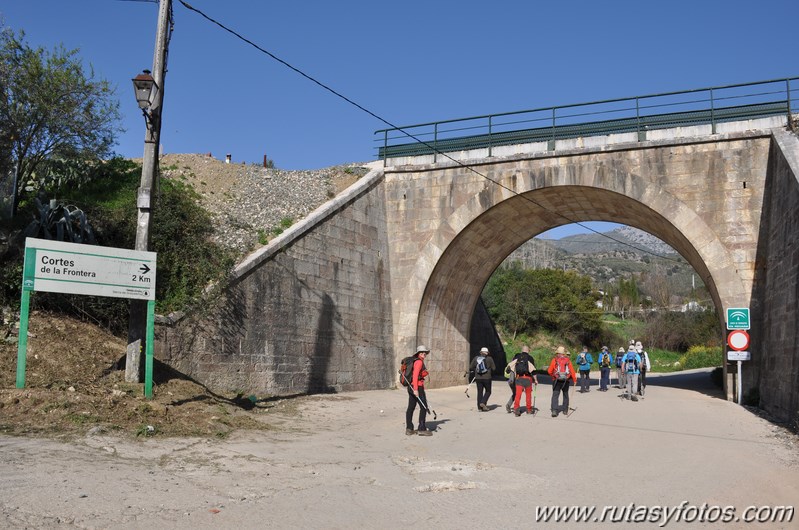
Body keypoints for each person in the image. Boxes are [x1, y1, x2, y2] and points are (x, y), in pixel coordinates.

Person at [406, 345, 433, 436]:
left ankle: (409, 429)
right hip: (417, 387)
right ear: (419, 353)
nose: (424, 354)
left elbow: (417, 374)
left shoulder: (415, 361)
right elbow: (415, 375)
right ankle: (421, 428)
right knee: (424, 407)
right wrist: (416, 389)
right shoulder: (419, 362)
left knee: (411, 408)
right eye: (422, 353)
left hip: (411, 387)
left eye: (425, 353)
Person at [507, 345, 539, 416]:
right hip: (528, 379)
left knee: (518, 395)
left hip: (519, 378)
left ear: (522, 350)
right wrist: (536, 380)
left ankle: (516, 409)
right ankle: (529, 409)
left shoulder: (517, 357)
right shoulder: (530, 358)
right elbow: (533, 370)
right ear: (528, 350)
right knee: (528, 395)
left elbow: (510, 366)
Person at [547, 346, 577, 417]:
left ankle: (554, 410)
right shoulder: (568, 360)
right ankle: (565, 410)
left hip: (556, 380)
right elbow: (572, 371)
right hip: (565, 381)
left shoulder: (554, 360)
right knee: (565, 395)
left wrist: (553, 376)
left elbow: (549, 371)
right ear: (564, 353)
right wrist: (574, 380)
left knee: (555, 395)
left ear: (557, 353)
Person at [469, 346, 496, 411]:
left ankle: (479, 408)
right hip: (487, 378)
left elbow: (470, 367)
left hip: (478, 378)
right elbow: (494, 368)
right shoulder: (489, 359)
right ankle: (483, 402)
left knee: (480, 392)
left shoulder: (476, 358)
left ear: (480, 352)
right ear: (487, 353)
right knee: (488, 391)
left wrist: (476, 370)